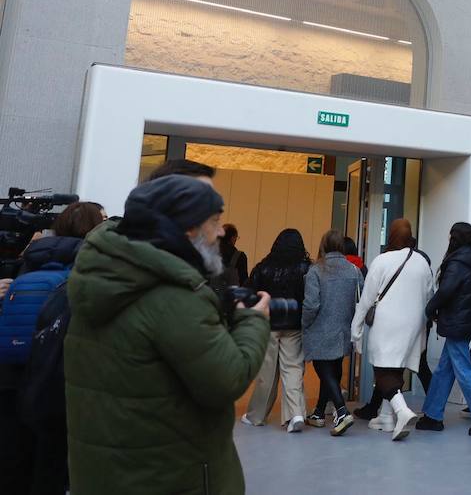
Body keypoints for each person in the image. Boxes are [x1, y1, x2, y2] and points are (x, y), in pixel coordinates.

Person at [65, 175, 271, 494]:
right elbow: (226, 379)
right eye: (215, 221)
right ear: (187, 227)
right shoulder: (174, 296)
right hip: (170, 475)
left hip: (109, 470)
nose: (220, 232)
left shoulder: (106, 281)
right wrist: (253, 321)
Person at [2, 201, 105, 495]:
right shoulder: (90, 262)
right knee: (52, 463)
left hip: (11, 369)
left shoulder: (31, 255)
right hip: (56, 374)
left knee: (15, 457)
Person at [350, 218, 434, 440]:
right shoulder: (422, 262)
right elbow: (429, 296)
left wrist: (356, 328)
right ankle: (386, 417)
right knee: (396, 369)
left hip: (387, 323)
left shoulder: (382, 260)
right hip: (413, 323)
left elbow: (367, 299)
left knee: (382, 369)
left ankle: (402, 411)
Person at [419, 222, 471, 435]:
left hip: (456, 321)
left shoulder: (457, 262)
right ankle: (432, 414)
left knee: (464, 368)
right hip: (467, 320)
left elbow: (446, 291)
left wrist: (429, 308)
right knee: (445, 368)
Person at [241, 228, 312, 432]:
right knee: (293, 369)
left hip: (269, 323)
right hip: (294, 325)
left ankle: (257, 416)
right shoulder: (306, 268)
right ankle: (296, 414)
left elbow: (249, 293)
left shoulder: (264, 267)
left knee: (267, 372)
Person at [302, 229, 362, 435]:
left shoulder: (316, 270)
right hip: (344, 328)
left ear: (324, 245)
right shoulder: (354, 270)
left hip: (321, 327)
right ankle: (319, 413)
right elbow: (360, 301)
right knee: (333, 370)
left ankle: (342, 411)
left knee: (323, 369)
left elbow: (311, 305)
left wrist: (304, 324)